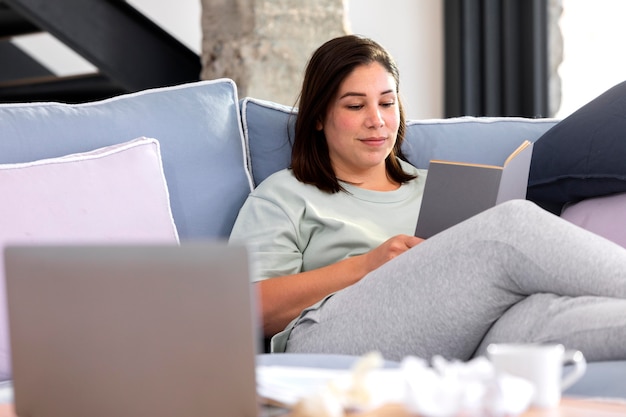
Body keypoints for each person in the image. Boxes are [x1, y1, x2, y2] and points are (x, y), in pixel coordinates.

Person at [229, 35, 626, 362]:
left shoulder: (440, 186)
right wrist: (366, 266)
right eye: (355, 105)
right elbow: (244, 307)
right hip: (327, 340)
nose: (377, 120)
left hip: (459, 330)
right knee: (511, 225)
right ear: (318, 117)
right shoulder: (285, 194)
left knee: (555, 317)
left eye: (387, 103)